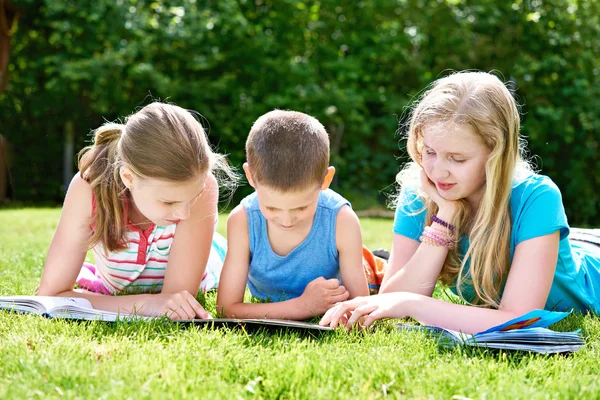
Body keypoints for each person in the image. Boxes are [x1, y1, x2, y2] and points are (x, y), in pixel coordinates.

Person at [320, 71, 600, 333]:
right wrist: (446, 217)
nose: (437, 171)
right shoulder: (420, 193)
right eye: (429, 151)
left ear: (496, 154)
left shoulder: (537, 197)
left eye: (457, 159)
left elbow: (517, 319)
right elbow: (390, 301)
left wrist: (413, 304)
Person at [37, 102, 236, 320]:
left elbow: (176, 301)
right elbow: (51, 295)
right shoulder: (89, 188)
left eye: (193, 197)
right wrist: (145, 303)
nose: (184, 214)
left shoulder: (202, 185)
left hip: (212, 257)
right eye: (169, 202)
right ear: (128, 178)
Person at [217, 110, 370, 320]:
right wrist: (301, 307)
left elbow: (360, 307)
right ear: (250, 176)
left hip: (364, 268)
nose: (286, 220)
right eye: (271, 208)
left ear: (326, 180)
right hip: (301, 302)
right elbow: (226, 309)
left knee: (373, 267)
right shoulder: (243, 220)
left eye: (301, 208)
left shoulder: (341, 220)